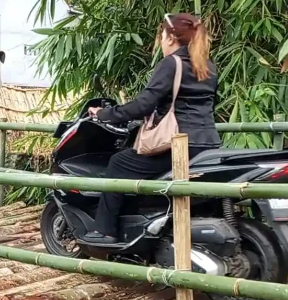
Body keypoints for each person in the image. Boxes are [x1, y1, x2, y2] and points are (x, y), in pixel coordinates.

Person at [83, 13, 221, 244]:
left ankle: (105, 231)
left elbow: (143, 104)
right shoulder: (209, 67)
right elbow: (199, 105)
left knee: (119, 162)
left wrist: (105, 114)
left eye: (161, 37)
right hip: (207, 143)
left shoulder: (171, 64)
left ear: (169, 38)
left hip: (178, 144)